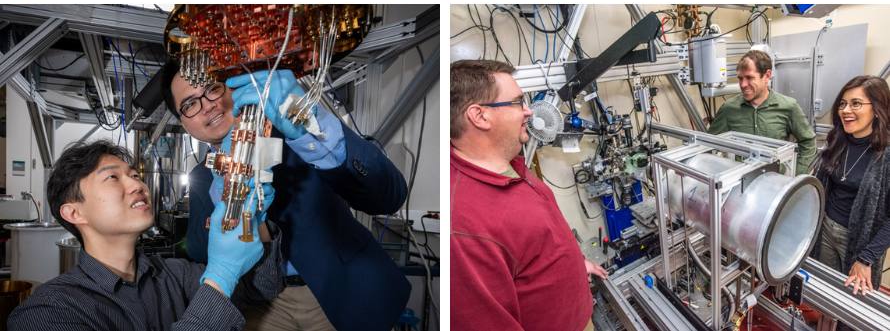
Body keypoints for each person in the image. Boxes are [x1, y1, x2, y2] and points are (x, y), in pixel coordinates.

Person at [161, 60, 410, 331]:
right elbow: (197, 246)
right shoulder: (203, 176)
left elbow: (389, 196)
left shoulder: (298, 137)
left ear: (233, 87)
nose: (207, 105)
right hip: (265, 305)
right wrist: (233, 212)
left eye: (212, 88)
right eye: (189, 104)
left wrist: (310, 124)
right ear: (184, 123)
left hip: (341, 290)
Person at [8, 140, 282, 330]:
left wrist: (256, 219)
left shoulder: (177, 275)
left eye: (136, 175)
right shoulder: (48, 311)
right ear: (74, 213)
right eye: (113, 178)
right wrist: (221, 275)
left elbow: (260, 292)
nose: (137, 184)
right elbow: (222, 286)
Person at [450, 59, 607, 331]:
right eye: (517, 102)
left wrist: (573, 264)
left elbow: (533, 243)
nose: (529, 112)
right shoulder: (464, 225)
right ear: (480, 116)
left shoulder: (509, 165)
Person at [813, 76, 890, 296]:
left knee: (852, 302)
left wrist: (866, 259)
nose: (846, 110)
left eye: (856, 104)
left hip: (860, 242)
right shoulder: (838, 141)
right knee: (824, 293)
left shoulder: (886, 154)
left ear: (877, 109)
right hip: (826, 229)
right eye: (843, 104)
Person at [708, 50, 816, 175]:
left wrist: (797, 175)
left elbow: (808, 141)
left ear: (767, 76)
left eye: (749, 78)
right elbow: (709, 144)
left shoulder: (788, 107)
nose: (743, 84)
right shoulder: (729, 109)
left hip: (775, 183)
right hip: (740, 183)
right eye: (740, 78)